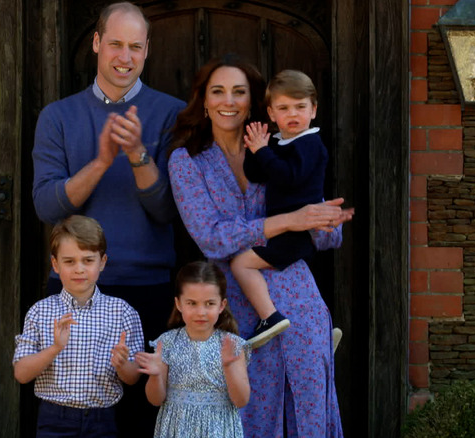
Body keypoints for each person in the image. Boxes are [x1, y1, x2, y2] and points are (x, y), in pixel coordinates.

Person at [167, 54, 352, 437]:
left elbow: (319, 229)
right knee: (244, 414)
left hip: (298, 296)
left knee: (307, 406)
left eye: (239, 92)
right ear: (204, 100)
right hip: (232, 304)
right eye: (218, 92)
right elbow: (210, 236)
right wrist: (288, 221)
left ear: (251, 103)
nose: (228, 101)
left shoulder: (282, 148)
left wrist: (327, 222)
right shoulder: (187, 161)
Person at [30, 2, 185, 435]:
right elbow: (47, 207)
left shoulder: (173, 114)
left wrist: (137, 155)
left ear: (148, 50)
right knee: (75, 413)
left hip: (148, 289)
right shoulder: (58, 117)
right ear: (97, 43)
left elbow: (169, 211)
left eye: (135, 46)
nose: (125, 56)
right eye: (115, 43)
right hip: (75, 290)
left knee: (143, 418)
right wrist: (100, 162)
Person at [13, 215, 144, 438]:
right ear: (55, 264)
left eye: (88, 260)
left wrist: (122, 364)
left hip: (102, 418)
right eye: (69, 261)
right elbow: (21, 374)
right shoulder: (40, 312)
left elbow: (133, 378)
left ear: (102, 262)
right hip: (54, 418)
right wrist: (54, 348)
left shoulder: (122, 312)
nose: (79, 269)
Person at [230, 69, 328, 349]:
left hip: (296, 233)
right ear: (272, 114)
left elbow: (288, 177)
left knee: (241, 263)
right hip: (283, 229)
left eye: (300, 107)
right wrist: (255, 148)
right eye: (284, 108)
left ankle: (269, 317)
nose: (293, 114)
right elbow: (257, 174)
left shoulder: (310, 144)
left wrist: (264, 151)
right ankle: (315, 333)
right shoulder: (280, 142)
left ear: (314, 110)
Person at [137, 261, 250, 438]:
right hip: (177, 428)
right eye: (192, 303)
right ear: (179, 304)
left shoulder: (232, 345)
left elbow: (241, 400)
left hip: (218, 429)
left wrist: (228, 367)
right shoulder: (166, 342)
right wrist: (155, 375)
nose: (201, 312)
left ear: (222, 305)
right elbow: (155, 399)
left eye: (209, 303)